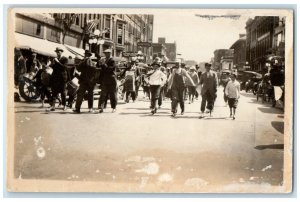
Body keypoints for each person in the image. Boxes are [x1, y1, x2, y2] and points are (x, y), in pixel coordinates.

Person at [48, 47, 68, 112]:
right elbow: (53, 68)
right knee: (54, 92)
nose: (57, 53)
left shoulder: (65, 59)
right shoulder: (55, 59)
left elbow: (64, 68)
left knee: (63, 93)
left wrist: (58, 62)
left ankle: (64, 105)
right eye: (57, 52)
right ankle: (53, 106)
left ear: (61, 52)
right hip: (55, 78)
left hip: (62, 79)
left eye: (59, 52)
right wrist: (51, 64)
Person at [98, 49, 118, 113]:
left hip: (111, 80)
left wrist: (103, 64)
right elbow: (102, 70)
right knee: (103, 94)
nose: (105, 54)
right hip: (105, 80)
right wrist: (100, 64)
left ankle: (114, 107)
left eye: (107, 53)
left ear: (110, 53)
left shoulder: (112, 60)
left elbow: (109, 69)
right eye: (105, 53)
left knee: (112, 94)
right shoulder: (105, 60)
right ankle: (101, 107)